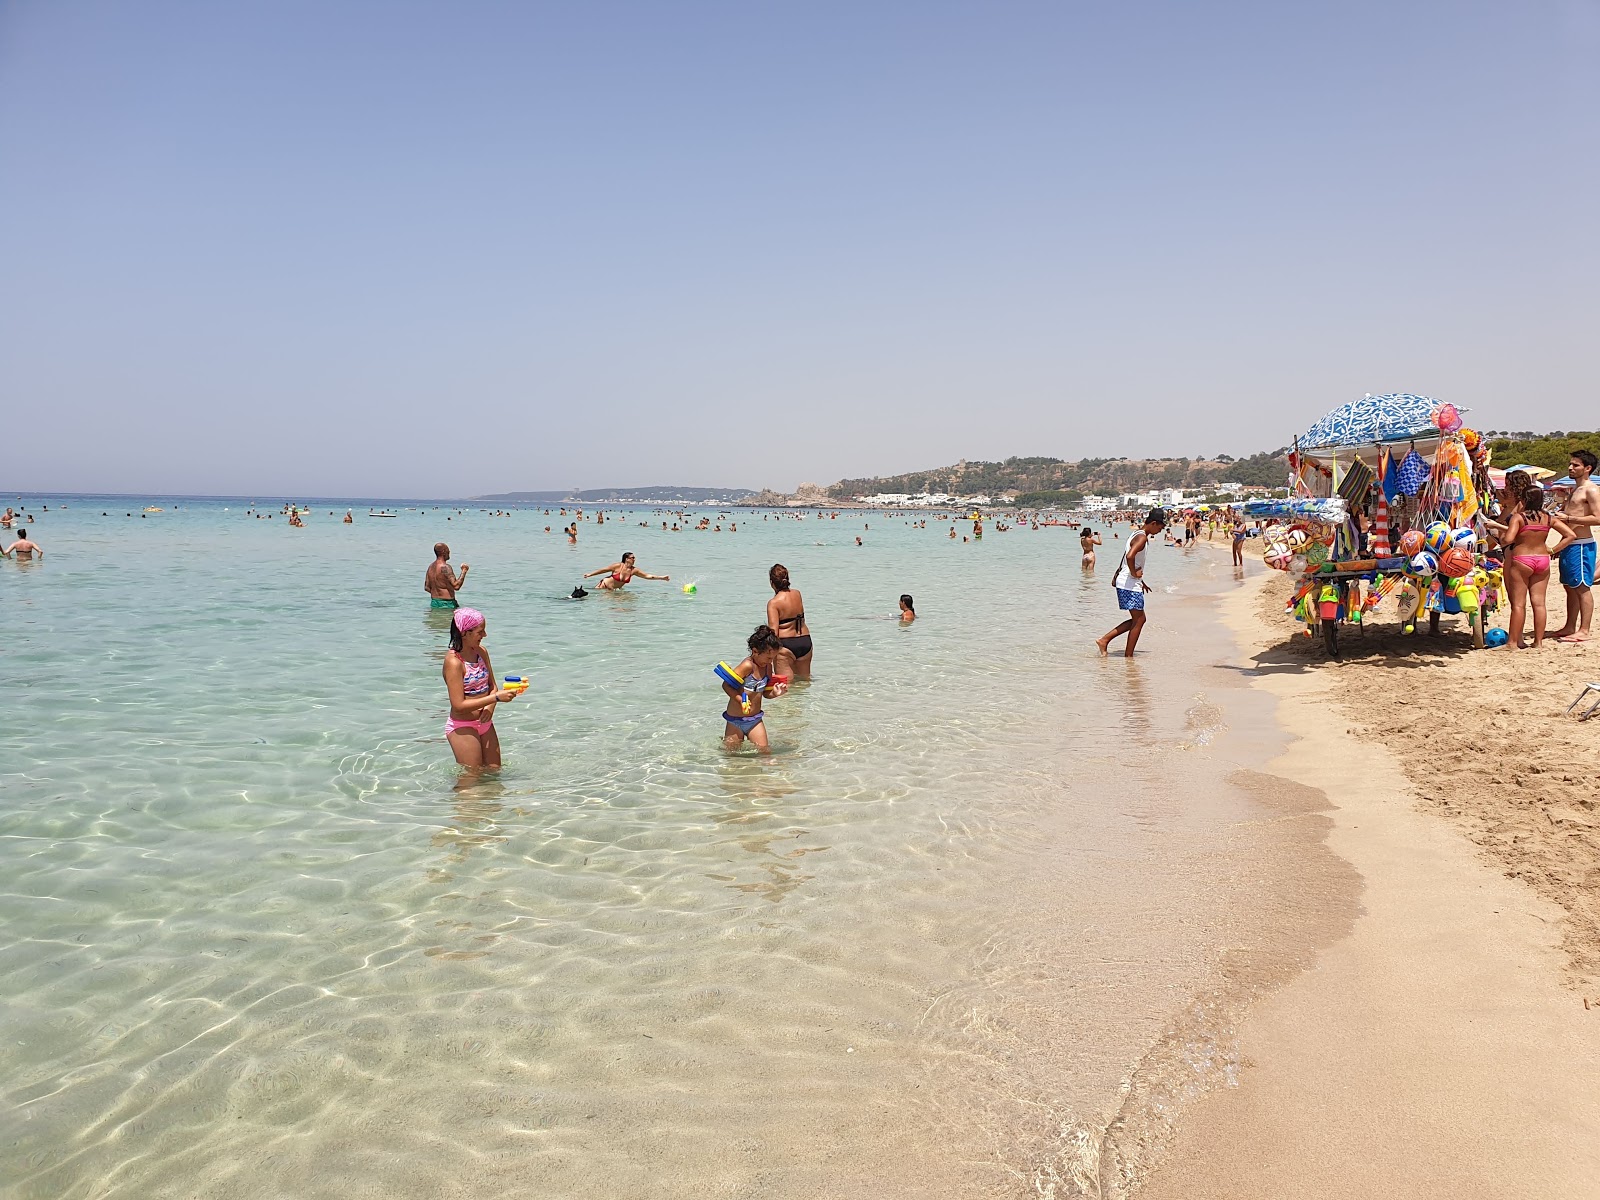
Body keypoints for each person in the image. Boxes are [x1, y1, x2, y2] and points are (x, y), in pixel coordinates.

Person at [442, 608, 520, 768]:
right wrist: (496, 698)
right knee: (471, 779)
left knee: (494, 772)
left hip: (485, 722)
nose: (484, 635)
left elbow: (492, 686)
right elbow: (458, 705)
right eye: (480, 632)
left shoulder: (481, 652)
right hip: (463, 726)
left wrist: (490, 708)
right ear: (465, 633)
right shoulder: (454, 662)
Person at [1500, 486, 1575, 650]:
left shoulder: (1519, 518)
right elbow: (1571, 535)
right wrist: (1554, 549)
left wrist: (1502, 532)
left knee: (1519, 604)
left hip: (1522, 559)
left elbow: (1509, 539)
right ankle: (1538, 642)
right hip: (1542, 559)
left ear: (1524, 500)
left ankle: (1512, 643)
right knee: (1539, 603)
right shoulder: (1548, 518)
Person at [1097, 510, 1165, 658]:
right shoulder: (1141, 538)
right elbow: (1130, 556)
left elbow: (1130, 559)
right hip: (1129, 584)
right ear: (1153, 523)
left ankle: (1106, 641)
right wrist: (1134, 575)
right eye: (1160, 528)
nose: (1160, 531)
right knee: (1140, 619)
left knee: (1139, 619)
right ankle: (1126, 655)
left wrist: (1141, 580)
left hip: (1129, 582)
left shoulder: (1136, 534)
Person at [1554, 449, 1598, 643]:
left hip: (1581, 545)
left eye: (1576, 465)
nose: (1570, 468)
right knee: (1570, 587)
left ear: (1587, 468)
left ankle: (1584, 629)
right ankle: (1570, 625)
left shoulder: (1591, 489)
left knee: (1582, 587)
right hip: (1570, 544)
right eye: (1570, 464)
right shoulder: (1574, 489)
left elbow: (1598, 518)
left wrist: (1570, 518)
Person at [720, 625, 783, 753]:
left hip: (755, 720)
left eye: (773, 658)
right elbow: (726, 685)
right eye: (768, 657)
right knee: (732, 756)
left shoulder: (767, 668)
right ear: (755, 651)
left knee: (765, 752)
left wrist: (775, 693)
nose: (770, 661)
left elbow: (765, 693)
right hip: (735, 720)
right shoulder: (747, 666)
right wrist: (740, 700)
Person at [766, 563, 813, 681]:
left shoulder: (773, 603)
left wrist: (768, 656)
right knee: (804, 683)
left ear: (772, 583)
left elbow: (773, 632)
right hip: (805, 641)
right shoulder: (797, 593)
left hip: (785, 645)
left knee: (784, 688)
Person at [583, 552, 669, 590]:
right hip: (603, 586)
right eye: (632, 558)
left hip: (612, 591)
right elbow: (603, 570)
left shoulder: (634, 570)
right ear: (626, 559)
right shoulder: (618, 566)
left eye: (634, 558)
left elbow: (647, 576)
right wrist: (590, 574)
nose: (634, 559)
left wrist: (662, 578)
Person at [425, 542, 468, 609]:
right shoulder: (445, 567)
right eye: (448, 550)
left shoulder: (431, 567)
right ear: (443, 551)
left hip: (434, 603)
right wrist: (464, 571)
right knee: (449, 619)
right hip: (447, 603)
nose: (449, 551)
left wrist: (439, 594)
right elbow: (456, 586)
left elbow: (427, 587)